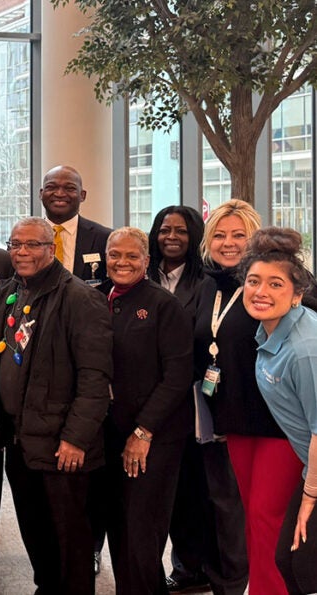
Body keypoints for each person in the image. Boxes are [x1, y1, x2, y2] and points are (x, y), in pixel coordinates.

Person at [0, 216, 111, 595]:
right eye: (15, 244)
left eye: (32, 245)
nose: (22, 252)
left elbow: (95, 378)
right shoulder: (11, 292)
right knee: (36, 532)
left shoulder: (81, 299)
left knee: (71, 540)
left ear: (51, 250)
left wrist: (76, 439)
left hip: (62, 445)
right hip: (20, 440)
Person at [94, 227, 192, 595]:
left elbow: (178, 375)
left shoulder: (163, 305)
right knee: (117, 526)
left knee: (141, 533)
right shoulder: (97, 297)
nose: (122, 262)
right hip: (108, 433)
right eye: (115, 255)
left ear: (147, 261)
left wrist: (144, 431)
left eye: (132, 256)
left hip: (153, 438)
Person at [192, 199, 275, 595]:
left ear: (255, 238)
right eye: (220, 235)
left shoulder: (273, 278)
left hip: (264, 421)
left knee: (257, 513)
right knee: (223, 508)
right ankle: (229, 585)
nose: (229, 243)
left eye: (239, 235)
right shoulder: (208, 283)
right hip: (215, 417)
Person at [241, 227, 317, 595]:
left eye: (275, 284)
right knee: (289, 561)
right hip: (310, 466)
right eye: (254, 281)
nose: (261, 292)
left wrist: (311, 494)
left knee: (300, 566)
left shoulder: (306, 349)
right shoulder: (271, 333)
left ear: (298, 294)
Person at [146, 205, 213, 593]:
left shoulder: (205, 282)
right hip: (145, 395)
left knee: (189, 489)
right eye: (164, 229)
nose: (171, 237)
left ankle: (191, 567)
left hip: (189, 400)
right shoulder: (143, 274)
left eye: (181, 231)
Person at [38, 165, 112, 285]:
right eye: (51, 187)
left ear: (82, 195)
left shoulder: (104, 238)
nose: (60, 193)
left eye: (69, 188)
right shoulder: (25, 238)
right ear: (41, 194)